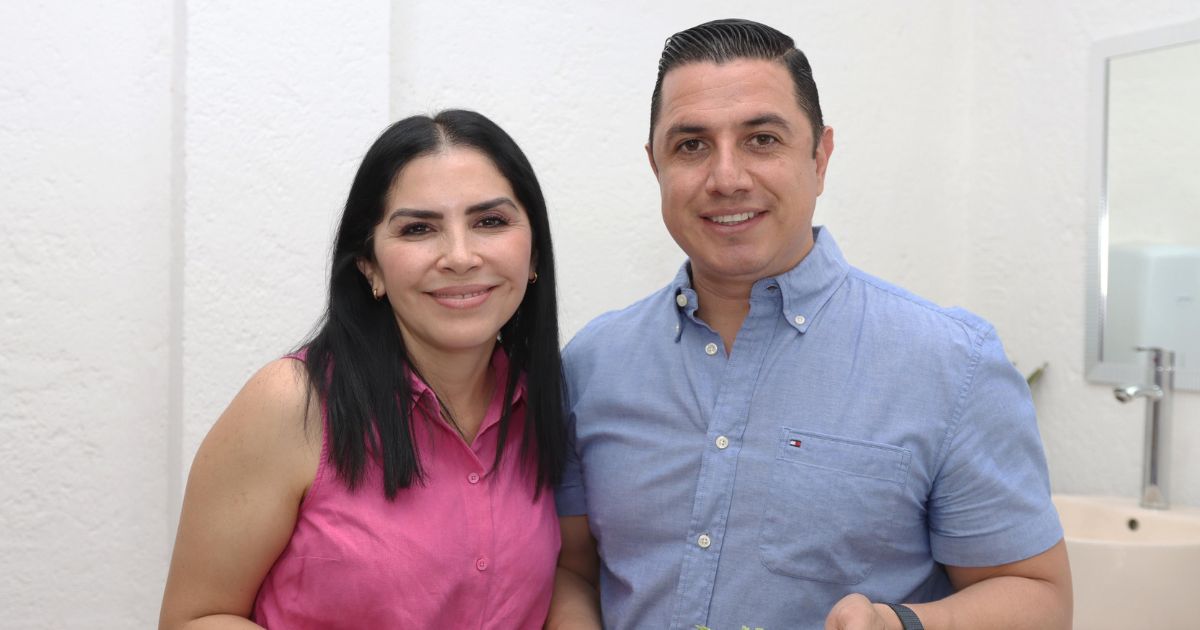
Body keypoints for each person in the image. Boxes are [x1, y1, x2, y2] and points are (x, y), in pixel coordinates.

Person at [548, 18, 1071, 630]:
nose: (726, 178)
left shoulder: (952, 362)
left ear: (820, 158)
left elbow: (1039, 597)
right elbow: (573, 570)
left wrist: (899, 625)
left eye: (762, 139)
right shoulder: (592, 365)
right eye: (691, 145)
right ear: (655, 164)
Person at [160, 109, 566, 629]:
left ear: (534, 255)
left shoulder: (553, 405)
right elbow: (195, 618)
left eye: (490, 222)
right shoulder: (293, 403)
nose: (460, 256)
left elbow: (569, 578)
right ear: (369, 265)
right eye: (418, 229)